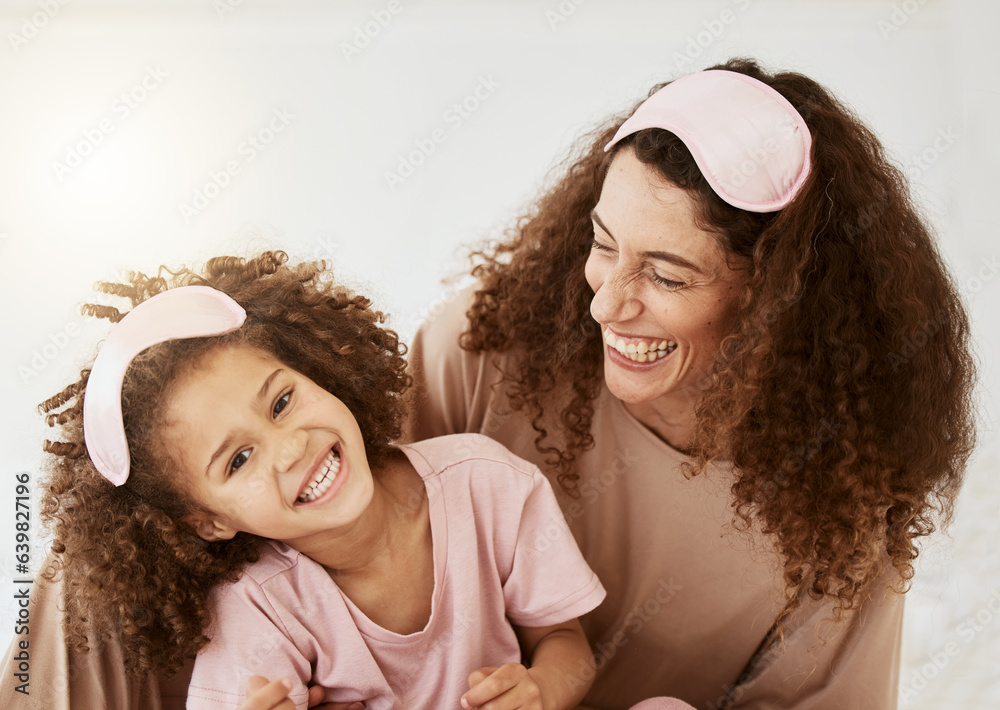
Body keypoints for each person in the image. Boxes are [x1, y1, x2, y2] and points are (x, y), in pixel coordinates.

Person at [403, 58, 977, 709]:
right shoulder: (484, 348)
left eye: (667, 277)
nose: (606, 305)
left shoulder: (838, 498)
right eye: (603, 244)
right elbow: (329, 555)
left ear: (775, 306)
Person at [7, 251, 609, 710]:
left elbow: (567, 642)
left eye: (282, 401)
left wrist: (540, 692)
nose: (292, 447)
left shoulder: (488, 484)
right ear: (210, 521)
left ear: (322, 371)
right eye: (238, 461)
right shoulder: (258, 605)